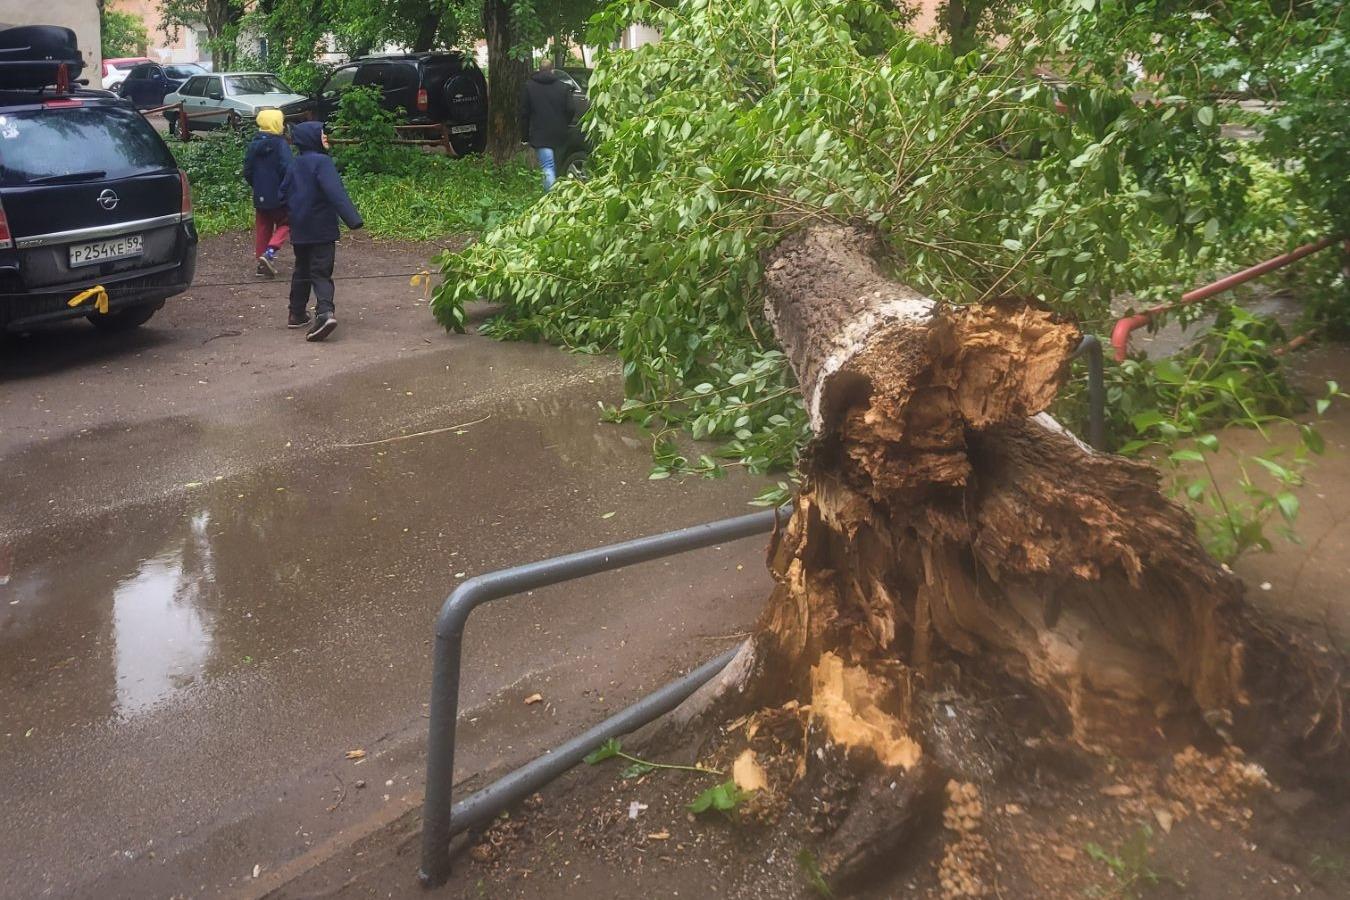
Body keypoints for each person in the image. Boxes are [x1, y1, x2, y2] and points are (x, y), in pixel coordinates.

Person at [280, 121, 363, 342]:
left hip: (300, 227)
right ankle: (325, 313)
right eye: (322, 134)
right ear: (312, 138)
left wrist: (291, 213)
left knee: (302, 269)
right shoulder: (322, 162)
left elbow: (281, 194)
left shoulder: (294, 164)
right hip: (322, 227)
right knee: (320, 270)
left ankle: (296, 313)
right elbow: (336, 193)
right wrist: (353, 220)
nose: (326, 137)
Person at [243, 108, 292, 278]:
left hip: (260, 194)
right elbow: (287, 169)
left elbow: (247, 170)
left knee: (263, 226)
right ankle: (270, 252)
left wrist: (257, 186)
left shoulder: (253, 144)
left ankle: (260, 264)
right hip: (279, 194)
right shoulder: (281, 144)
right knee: (287, 221)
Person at [519, 59, 575, 190]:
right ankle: (562, 195)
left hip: (540, 134)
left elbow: (524, 114)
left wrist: (525, 137)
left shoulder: (529, 86)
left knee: (547, 166)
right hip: (560, 134)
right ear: (553, 70)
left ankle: (550, 200)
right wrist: (565, 123)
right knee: (558, 166)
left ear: (539, 69)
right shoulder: (563, 87)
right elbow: (571, 109)